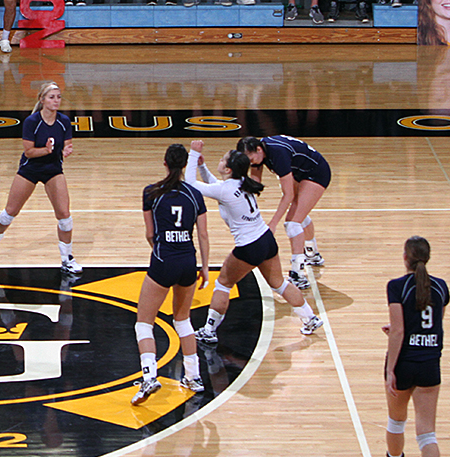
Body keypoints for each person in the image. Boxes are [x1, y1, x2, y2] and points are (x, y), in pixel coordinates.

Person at [185, 141, 324, 344]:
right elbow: (217, 186)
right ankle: (310, 317)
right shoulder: (243, 183)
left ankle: (209, 330)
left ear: (228, 169)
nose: (220, 160)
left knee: (223, 283)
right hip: (266, 241)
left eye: (223, 159)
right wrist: (202, 166)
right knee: (279, 283)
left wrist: (193, 153)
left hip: (249, 246)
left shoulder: (226, 189)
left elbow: (191, 183)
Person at [131, 144, 209, 405]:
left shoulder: (151, 192)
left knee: (144, 323)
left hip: (164, 259)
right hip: (189, 261)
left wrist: (161, 253)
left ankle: (149, 375)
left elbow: (149, 234)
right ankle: (193, 376)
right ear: (185, 165)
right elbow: (203, 234)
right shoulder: (195, 195)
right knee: (183, 320)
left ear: (164, 163)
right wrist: (205, 267)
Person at [0, 82, 81, 275]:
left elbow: (67, 143)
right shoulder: (32, 122)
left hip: (53, 170)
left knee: (65, 217)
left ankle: (67, 259)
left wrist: (67, 150)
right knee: (9, 212)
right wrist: (47, 150)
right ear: (42, 100)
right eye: (51, 97)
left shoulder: (64, 121)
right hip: (30, 169)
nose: (56, 101)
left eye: (58, 97)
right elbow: (29, 152)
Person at [384, 235, 448, 457]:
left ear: (405, 258)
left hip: (404, 362)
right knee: (427, 434)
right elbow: (435, 323)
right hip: (430, 363)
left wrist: (391, 370)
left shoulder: (396, 286)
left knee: (396, 422)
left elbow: (399, 330)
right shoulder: (442, 286)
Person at [238, 134, 330, 288]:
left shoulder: (278, 153)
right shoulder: (258, 153)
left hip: (316, 173)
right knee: (300, 213)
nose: (251, 163)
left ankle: (298, 274)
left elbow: (288, 195)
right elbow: (255, 184)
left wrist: (273, 223)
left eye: (252, 159)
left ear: (259, 150)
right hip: (300, 170)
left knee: (292, 223)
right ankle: (313, 255)